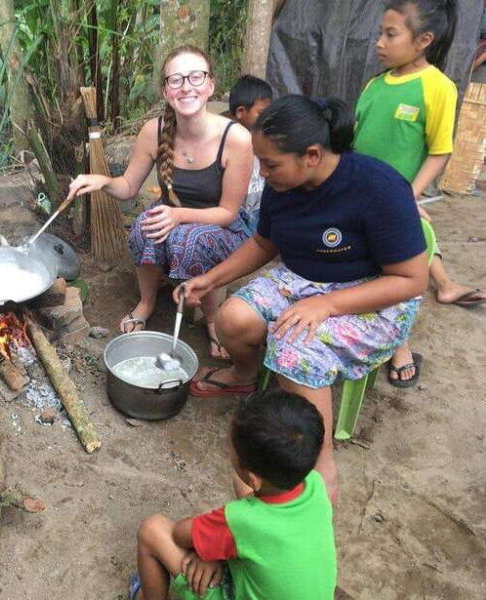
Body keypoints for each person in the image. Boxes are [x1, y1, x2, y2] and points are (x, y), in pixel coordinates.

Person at [181, 95, 429, 494]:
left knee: (293, 349)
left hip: (375, 296)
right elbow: (264, 244)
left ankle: (319, 466)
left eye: (272, 164)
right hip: (302, 279)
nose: (264, 172)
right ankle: (244, 376)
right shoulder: (283, 184)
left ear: (312, 154)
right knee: (232, 318)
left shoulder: (378, 188)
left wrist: (326, 304)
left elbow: (411, 280)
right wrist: (212, 278)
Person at [67, 45, 253, 360]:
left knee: (190, 239)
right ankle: (147, 302)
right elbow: (127, 187)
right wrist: (102, 181)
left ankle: (211, 318)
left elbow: (228, 212)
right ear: (166, 90)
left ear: (210, 85)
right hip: (173, 217)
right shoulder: (153, 132)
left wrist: (179, 215)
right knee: (143, 227)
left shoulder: (236, 139)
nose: (186, 86)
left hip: (223, 226)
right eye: (176, 80)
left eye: (196, 77)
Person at [355, 0, 485, 387]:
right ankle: (440, 288)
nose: (379, 42)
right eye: (380, 32)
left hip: (394, 201)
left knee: (396, 270)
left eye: (390, 34)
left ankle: (400, 345)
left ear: (424, 40)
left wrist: (407, 196)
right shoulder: (373, 86)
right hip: (360, 196)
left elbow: (440, 150)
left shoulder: (438, 87)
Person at [130, 390, 336, 600]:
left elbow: (180, 534)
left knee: (152, 530)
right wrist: (214, 550)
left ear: (254, 478)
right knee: (241, 489)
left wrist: (209, 550)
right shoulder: (316, 485)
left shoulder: (240, 520)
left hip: (243, 544)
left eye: (231, 449)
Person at [228, 75, 273, 245]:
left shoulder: (266, 140)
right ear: (241, 112)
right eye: (261, 113)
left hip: (261, 211)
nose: (267, 117)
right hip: (237, 215)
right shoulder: (227, 143)